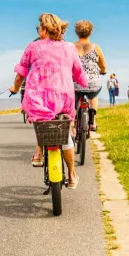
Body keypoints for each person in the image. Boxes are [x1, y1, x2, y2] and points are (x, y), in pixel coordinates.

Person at [9, 13, 88, 189]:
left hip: (38, 98)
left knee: (41, 120)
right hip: (63, 98)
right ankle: (72, 175)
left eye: (39, 27)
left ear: (44, 29)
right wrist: (83, 83)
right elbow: (79, 73)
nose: (38, 30)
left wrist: (14, 88)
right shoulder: (69, 48)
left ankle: (38, 154)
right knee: (64, 131)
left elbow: (21, 73)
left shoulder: (32, 46)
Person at [73, 20, 107, 130]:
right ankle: (93, 121)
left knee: (73, 98)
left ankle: (73, 124)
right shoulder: (95, 47)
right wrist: (103, 71)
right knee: (93, 96)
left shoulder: (71, 47)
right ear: (90, 32)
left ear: (76, 32)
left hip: (75, 83)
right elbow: (102, 65)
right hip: (93, 83)